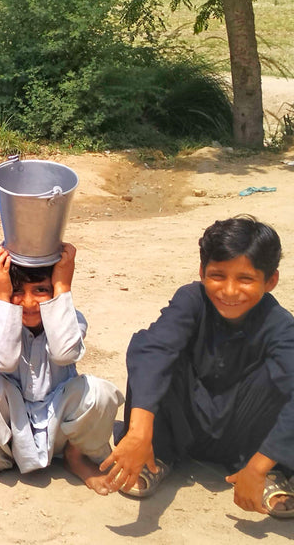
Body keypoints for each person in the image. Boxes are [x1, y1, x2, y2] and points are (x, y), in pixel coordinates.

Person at [101, 216, 294, 518]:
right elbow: (153, 350)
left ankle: (270, 469)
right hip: (185, 425)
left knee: (284, 376)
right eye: (218, 276)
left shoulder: (279, 324)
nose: (229, 291)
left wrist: (259, 465)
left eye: (245, 279)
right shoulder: (191, 300)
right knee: (154, 351)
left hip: (245, 435)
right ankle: (156, 453)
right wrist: (138, 432)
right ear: (202, 272)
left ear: (270, 281)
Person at [0, 243, 123, 494]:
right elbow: (3, 361)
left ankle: (75, 457)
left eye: (41, 290)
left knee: (100, 392)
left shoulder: (72, 319)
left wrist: (62, 288)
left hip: (60, 425)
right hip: (12, 427)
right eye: (16, 291)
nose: (28, 302)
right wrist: (2, 298)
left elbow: (64, 353)